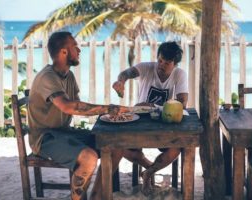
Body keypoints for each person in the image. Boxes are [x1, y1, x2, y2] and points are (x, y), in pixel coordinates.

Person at [28, 31, 129, 200]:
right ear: (64, 52)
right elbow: (68, 107)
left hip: (64, 132)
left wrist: (107, 115)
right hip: (44, 138)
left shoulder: (68, 76)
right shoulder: (47, 77)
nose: (79, 50)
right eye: (75, 46)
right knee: (89, 158)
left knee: (114, 145)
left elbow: (78, 106)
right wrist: (108, 109)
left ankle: (97, 196)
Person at [112, 41, 188, 195]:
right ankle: (148, 167)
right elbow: (127, 73)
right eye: (160, 60)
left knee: (176, 149)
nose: (161, 65)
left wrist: (153, 106)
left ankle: (148, 173)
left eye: (167, 63)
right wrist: (121, 81)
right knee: (119, 146)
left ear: (175, 64)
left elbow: (182, 104)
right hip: (138, 121)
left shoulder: (180, 74)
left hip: (164, 123)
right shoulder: (146, 67)